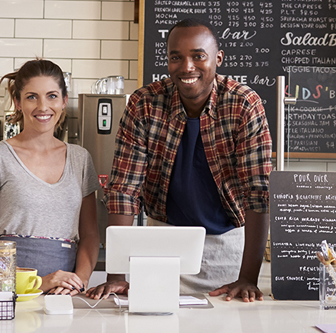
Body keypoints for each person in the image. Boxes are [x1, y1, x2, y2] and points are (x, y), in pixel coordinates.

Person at [87, 18, 272, 303]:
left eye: (198, 56)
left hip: (230, 250)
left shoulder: (243, 104)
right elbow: (124, 190)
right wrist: (116, 274)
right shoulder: (144, 104)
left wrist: (248, 277)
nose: (187, 67)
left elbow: (258, 194)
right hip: (162, 243)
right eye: (176, 57)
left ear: (218, 58)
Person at [0, 59, 100, 295]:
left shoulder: (80, 159)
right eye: (32, 97)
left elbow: (89, 234)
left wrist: (79, 281)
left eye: (52, 96)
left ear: (64, 101)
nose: (43, 106)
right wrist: (35, 282)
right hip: (6, 289)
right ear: (18, 102)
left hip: (62, 293)